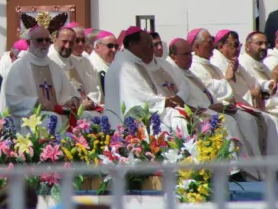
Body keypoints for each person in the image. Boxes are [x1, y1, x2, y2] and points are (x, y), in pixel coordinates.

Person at [168, 38, 263, 180]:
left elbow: (206, 93)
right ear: (174, 56)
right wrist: (211, 106)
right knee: (228, 121)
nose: (190, 58)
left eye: (190, 53)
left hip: (207, 108)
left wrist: (219, 105)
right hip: (194, 113)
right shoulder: (173, 71)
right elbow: (181, 101)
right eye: (186, 54)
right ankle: (234, 171)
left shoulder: (186, 70)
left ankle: (254, 169)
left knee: (247, 119)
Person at [189, 28, 278, 157]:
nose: (212, 45)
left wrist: (266, 85)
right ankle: (247, 167)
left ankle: (267, 165)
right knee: (250, 121)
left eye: (238, 45)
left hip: (239, 103)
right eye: (234, 45)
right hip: (221, 106)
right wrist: (229, 78)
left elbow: (252, 81)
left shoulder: (224, 62)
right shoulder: (206, 64)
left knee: (263, 120)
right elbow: (211, 89)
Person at [104, 27, 187, 133]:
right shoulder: (123, 66)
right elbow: (138, 98)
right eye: (147, 42)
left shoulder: (136, 62)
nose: (151, 47)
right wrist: (165, 102)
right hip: (124, 126)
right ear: (132, 44)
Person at [0, 25, 79, 131]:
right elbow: (13, 100)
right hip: (25, 122)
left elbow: (68, 93)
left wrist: (72, 100)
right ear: (29, 42)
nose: (44, 44)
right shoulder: (18, 68)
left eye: (47, 40)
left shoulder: (55, 67)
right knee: (50, 119)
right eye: (39, 40)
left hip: (55, 118)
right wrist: (35, 102)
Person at [49, 25, 101, 112]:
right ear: (55, 40)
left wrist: (90, 100)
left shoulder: (77, 61)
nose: (67, 46)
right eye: (64, 41)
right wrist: (79, 103)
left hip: (82, 110)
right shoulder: (50, 62)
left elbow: (91, 88)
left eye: (71, 42)